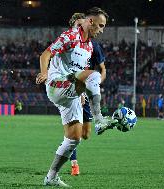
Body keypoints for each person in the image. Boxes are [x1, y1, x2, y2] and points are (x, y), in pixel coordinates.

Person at [36, 7, 117, 187]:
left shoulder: (88, 47)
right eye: (100, 26)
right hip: (56, 84)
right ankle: (100, 119)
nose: (102, 30)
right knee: (95, 75)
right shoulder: (70, 36)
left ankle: (51, 177)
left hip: (70, 92)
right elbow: (46, 54)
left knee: (74, 138)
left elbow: (77, 72)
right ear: (91, 22)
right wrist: (44, 73)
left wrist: (80, 91)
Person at [67, 12, 107, 176]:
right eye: (76, 25)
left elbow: (103, 70)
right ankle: (74, 163)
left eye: (80, 24)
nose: (79, 27)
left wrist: (92, 86)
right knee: (73, 132)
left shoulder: (93, 46)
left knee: (86, 134)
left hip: (85, 90)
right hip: (69, 92)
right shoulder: (67, 44)